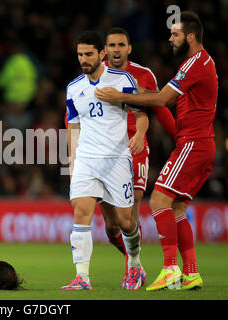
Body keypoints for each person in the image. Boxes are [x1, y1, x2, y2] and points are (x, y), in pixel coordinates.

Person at [96, 11, 217, 291]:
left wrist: (122, 96)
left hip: (193, 142)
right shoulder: (198, 63)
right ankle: (191, 272)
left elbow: (162, 100)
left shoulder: (197, 62)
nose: (170, 39)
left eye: (174, 35)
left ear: (190, 36)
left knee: (158, 200)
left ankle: (170, 268)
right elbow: (164, 100)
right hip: (196, 143)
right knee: (177, 207)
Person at [61, 30, 145, 291]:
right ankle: (82, 277)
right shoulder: (74, 87)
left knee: (126, 221)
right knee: (81, 213)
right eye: (79, 54)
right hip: (87, 159)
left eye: (88, 54)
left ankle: (135, 264)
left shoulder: (122, 79)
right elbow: (73, 127)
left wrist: (140, 133)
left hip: (117, 159)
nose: (83, 59)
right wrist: (73, 164)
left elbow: (141, 113)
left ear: (101, 54)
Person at [102, 27, 176, 285]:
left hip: (135, 148)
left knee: (130, 215)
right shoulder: (96, 74)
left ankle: (131, 270)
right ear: (105, 49)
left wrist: (179, 137)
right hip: (103, 153)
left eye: (121, 45)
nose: (116, 50)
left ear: (129, 48)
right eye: (112, 45)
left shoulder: (143, 75)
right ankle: (136, 260)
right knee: (112, 227)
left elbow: (159, 107)